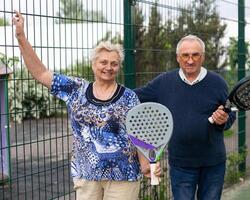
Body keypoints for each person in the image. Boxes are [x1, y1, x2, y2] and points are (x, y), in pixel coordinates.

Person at [13, 11, 160, 200]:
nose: (108, 67)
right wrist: (20, 36)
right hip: (86, 174)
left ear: (119, 67)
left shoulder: (129, 97)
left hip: (124, 176)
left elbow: (141, 135)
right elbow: (40, 73)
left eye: (114, 64)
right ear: (93, 64)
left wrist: (149, 163)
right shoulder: (76, 89)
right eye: (103, 62)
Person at [134, 34, 236, 200]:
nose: (190, 60)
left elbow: (230, 114)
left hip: (213, 163)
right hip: (181, 164)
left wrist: (223, 120)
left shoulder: (218, 83)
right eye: (185, 55)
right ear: (177, 58)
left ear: (202, 57)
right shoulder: (163, 82)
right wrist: (108, 92)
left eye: (195, 55)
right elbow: (134, 97)